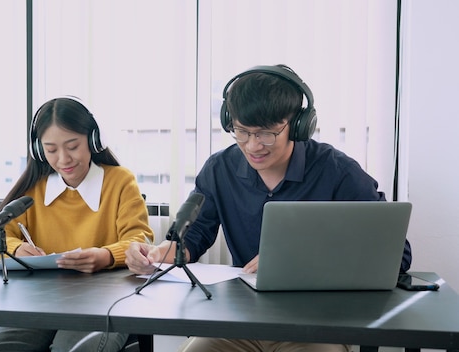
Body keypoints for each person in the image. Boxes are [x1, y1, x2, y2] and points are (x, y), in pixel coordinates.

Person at [125, 64, 412, 352]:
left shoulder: (337, 171)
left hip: (319, 325)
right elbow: (195, 232)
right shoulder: (219, 169)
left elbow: (397, 253)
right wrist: (162, 253)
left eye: (266, 133)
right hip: (240, 321)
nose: (252, 146)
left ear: (299, 125)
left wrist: (299, 262)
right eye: (241, 131)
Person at [0, 96, 154, 352]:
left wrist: (105, 256)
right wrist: (14, 249)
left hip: (105, 301)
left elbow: (140, 241)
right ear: (39, 150)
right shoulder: (33, 189)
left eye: (72, 146)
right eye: (51, 150)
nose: (63, 159)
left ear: (94, 141)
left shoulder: (120, 181)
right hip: (38, 301)